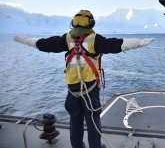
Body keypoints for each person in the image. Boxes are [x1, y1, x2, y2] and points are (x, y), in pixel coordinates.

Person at [14, 10, 154, 148]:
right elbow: (118, 44)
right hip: (90, 91)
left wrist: (24, 40)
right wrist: (141, 42)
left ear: (73, 24)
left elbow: (43, 43)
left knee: (75, 121)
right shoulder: (95, 40)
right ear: (91, 24)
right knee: (93, 122)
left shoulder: (66, 39)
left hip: (72, 91)